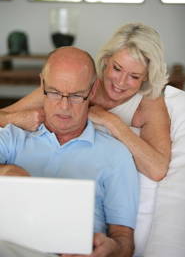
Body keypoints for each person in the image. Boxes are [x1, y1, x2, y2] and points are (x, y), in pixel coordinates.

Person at [0, 47, 139, 257]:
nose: (64, 106)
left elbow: (124, 241)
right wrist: (7, 171)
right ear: (42, 85)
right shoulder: (13, 137)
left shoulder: (116, 156)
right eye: (54, 92)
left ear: (92, 92)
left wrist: (109, 249)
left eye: (75, 95)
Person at [0, 23, 171, 181]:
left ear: (147, 76)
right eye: (117, 68)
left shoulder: (149, 103)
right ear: (106, 60)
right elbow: (3, 116)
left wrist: (111, 121)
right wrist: (15, 119)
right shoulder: (76, 84)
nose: (121, 82)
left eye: (134, 76)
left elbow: (157, 170)